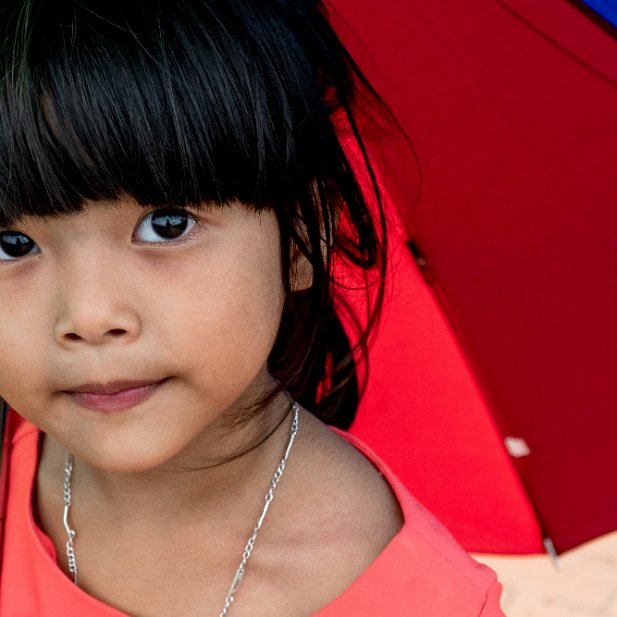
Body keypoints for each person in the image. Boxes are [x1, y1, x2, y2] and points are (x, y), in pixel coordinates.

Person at [0, 1, 505, 615]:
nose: (88, 315)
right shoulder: (14, 453)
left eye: (166, 225)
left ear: (302, 236)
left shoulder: (417, 601)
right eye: (12, 244)